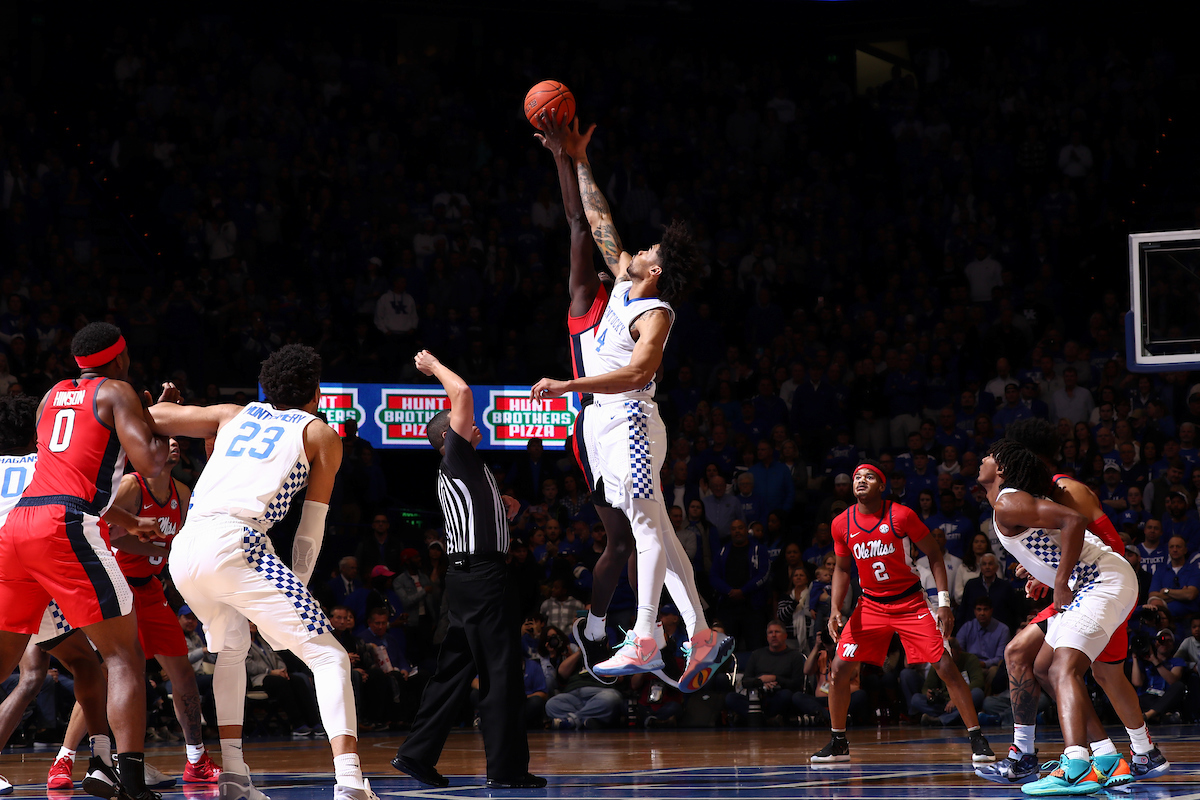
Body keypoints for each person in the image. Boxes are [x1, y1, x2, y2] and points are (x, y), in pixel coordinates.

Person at [530, 114, 732, 687]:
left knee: (646, 530)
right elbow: (596, 220)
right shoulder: (622, 283)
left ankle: (645, 638)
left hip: (633, 422)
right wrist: (576, 158)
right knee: (660, 533)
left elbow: (639, 370)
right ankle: (702, 633)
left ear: (658, 269)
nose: (637, 248)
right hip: (603, 425)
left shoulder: (656, 311)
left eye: (649, 249)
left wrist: (568, 387)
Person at [147, 344, 376, 800]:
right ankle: (350, 781)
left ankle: (233, 775)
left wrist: (167, 401)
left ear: (266, 388)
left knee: (231, 651)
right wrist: (294, 593)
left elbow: (152, 416)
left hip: (187, 547)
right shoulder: (320, 433)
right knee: (329, 656)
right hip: (237, 541)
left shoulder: (233, 413)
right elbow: (310, 533)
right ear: (316, 392)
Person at [0, 323, 173, 800]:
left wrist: (124, 520)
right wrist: (157, 417)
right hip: (64, 528)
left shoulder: (51, 395)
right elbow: (150, 462)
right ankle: (130, 781)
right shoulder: (117, 392)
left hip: (18, 526)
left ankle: (101, 763)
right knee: (123, 655)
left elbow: (62, 475)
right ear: (119, 359)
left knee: (6, 661)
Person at [977, 418, 1169, 787]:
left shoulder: (1014, 500)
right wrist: (1044, 575)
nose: (982, 458)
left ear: (1002, 466)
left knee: (1066, 668)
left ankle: (1075, 765)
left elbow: (1074, 521)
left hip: (1101, 581)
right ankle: (1114, 757)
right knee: (1047, 666)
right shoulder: (1014, 501)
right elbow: (1054, 540)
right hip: (1094, 582)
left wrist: (1060, 580)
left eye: (988, 455)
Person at [391, 351, 543, 790]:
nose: (474, 424)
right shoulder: (455, 455)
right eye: (462, 424)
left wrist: (506, 504)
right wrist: (432, 366)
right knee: (501, 671)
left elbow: (489, 511)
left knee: (455, 669)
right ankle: (507, 769)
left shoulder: (471, 468)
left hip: (466, 580)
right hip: (483, 578)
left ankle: (416, 755)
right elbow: (461, 391)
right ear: (449, 436)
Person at [810, 459, 994, 764]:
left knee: (945, 666)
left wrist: (945, 603)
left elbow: (934, 554)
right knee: (840, 668)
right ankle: (838, 742)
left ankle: (977, 738)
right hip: (870, 604)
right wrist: (834, 610)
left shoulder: (901, 515)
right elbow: (842, 568)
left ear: (882, 486)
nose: (861, 480)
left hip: (910, 603)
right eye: (857, 476)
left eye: (869, 476)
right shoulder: (841, 523)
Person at [725, 620, 806, 724]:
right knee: (730, 698)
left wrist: (775, 679)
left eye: (777, 632)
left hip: (779, 697)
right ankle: (767, 720)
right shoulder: (757, 655)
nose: (773, 635)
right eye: (770, 633)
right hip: (757, 697)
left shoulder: (795, 656)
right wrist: (760, 681)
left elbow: (796, 684)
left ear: (785, 635)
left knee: (787, 695)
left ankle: (754, 719)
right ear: (767, 637)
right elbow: (745, 681)